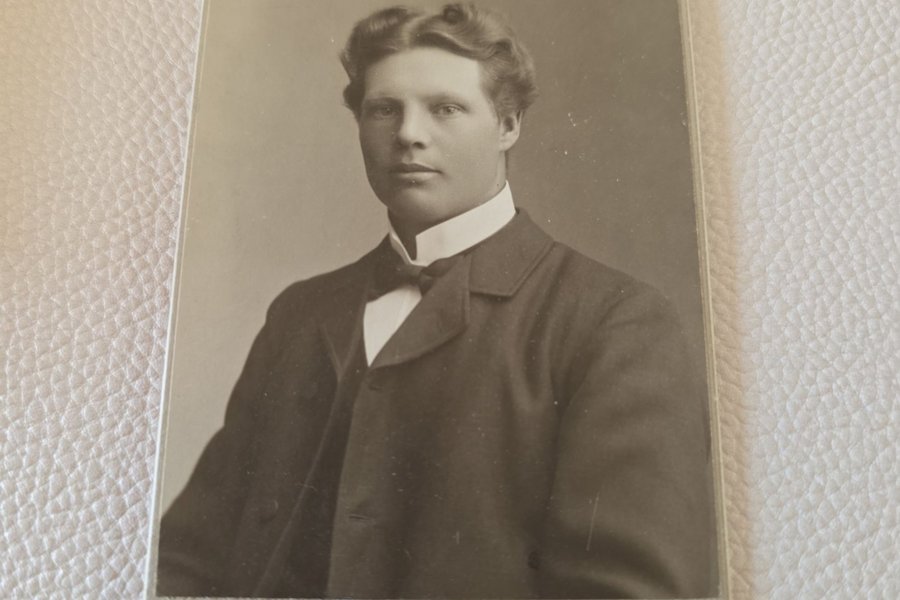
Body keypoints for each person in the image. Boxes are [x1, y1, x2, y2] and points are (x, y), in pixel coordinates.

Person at [157, 3, 717, 598]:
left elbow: (629, 588)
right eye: (384, 109)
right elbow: (185, 559)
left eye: (446, 108)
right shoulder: (302, 314)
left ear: (508, 125)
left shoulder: (614, 321)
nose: (408, 134)